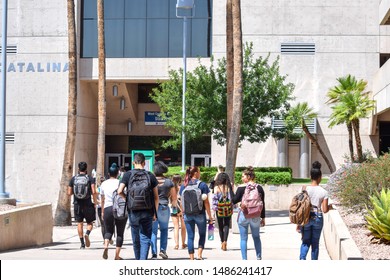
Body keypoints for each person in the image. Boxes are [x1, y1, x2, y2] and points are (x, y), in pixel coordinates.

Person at [118, 153, 159, 260]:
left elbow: (119, 191)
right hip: (147, 210)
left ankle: (138, 261)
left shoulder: (128, 175)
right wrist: (155, 213)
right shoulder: (150, 175)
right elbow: (156, 197)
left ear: (133, 162)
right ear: (144, 163)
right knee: (145, 238)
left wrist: (127, 199)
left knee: (136, 238)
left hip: (133, 211)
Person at [299, 161, 331, 260]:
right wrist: (330, 207)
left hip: (306, 218)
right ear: (320, 177)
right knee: (315, 243)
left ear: (310, 176)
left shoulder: (303, 189)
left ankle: (302, 260)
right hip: (318, 217)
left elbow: (300, 207)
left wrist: (298, 224)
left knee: (305, 242)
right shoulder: (323, 191)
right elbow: (325, 210)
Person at [180, 166, 213, 260]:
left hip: (187, 214)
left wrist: (183, 213)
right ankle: (199, 255)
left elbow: (182, 201)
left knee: (190, 236)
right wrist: (210, 216)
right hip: (200, 214)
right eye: (199, 171)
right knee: (202, 234)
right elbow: (206, 202)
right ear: (195, 173)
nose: (200, 173)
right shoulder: (202, 185)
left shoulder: (184, 185)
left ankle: (191, 257)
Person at [232, 166, 266, 260]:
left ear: (248, 176)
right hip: (255, 215)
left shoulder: (241, 188)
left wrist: (231, 190)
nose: (242, 178)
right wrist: (263, 218)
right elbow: (263, 204)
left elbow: (233, 201)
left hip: (244, 214)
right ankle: (258, 257)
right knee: (256, 237)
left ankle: (244, 260)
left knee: (243, 239)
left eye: (243, 176)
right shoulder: (259, 188)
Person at [150, 161, 177, 259]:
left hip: (153, 209)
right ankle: (163, 250)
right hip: (164, 207)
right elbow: (174, 198)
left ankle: (153, 253)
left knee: (153, 232)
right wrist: (174, 207)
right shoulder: (169, 182)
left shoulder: (151, 181)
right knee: (164, 230)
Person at [67, 161, 97, 249]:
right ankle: (87, 234)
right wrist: (95, 202)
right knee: (90, 223)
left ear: (78, 169)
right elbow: (94, 191)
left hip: (77, 204)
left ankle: (82, 244)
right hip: (88, 203)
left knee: (80, 224)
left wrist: (76, 193)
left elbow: (69, 193)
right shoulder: (90, 178)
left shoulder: (73, 179)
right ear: (86, 169)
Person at [101, 165, 127, 260]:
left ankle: (106, 246)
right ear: (118, 173)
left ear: (108, 174)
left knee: (108, 230)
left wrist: (102, 211)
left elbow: (102, 199)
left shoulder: (104, 183)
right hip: (119, 209)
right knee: (120, 233)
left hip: (108, 208)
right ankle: (116, 256)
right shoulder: (120, 183)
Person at [211, 172, 234, 251]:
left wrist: (214, 209)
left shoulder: (216, 187)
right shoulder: (229, 186)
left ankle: (221, 242)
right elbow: (231, 198)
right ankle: (225, 241)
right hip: (228, 208)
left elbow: (214, 200)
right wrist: (232, 207)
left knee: (220, 226)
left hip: (219, 209)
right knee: (227, 224)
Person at [170, 174, 187, 250]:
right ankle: (183, 243)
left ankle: (176, 244)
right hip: (182, 207)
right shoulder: (183, 187)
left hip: (174, 207)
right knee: (183, 227)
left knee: (176, 227)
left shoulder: (171, 188)